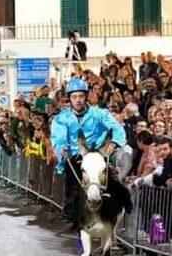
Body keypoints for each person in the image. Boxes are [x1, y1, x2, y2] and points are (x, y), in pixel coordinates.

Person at [50, 77, 132, 229]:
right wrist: (63, 149)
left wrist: (114, 143)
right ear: (69, 99)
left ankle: (124, 206)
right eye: (74, 97)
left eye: (81, 96)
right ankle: (74, 216)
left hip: (98, 154)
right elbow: (58, 138)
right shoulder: (61, 118)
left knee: (113, 182)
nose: (78, 100)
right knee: (73, 186)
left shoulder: (99, 114)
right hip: (75, 157)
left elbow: (117, 128)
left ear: (86, 97)